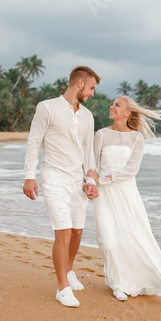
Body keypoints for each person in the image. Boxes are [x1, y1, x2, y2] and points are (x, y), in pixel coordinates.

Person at [86, 96, 161, 301]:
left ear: (127, 112)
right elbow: (91, 164)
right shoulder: (101, 134)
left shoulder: (137, 138)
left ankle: (126, 282)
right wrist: (90, 184)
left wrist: (103, 179)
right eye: (112, 104)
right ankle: (116, 283)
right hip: (104, 195)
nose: (112, 107)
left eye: (117, 105)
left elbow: (132, 170)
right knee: (107, 240)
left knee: (132, 237)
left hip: (127, 193)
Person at [23, 66, 100, 308]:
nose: (92, 94)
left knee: (77, 231)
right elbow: (34, 141)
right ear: (79, 83)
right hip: (54, 177)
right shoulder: (47, 107)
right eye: (91, 88)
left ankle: (68, 271)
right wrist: (29, 176)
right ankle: (62, 287)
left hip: (77, 180)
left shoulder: (87, 116)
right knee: (64, 231)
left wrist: (89, 180)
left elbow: (88, 151)